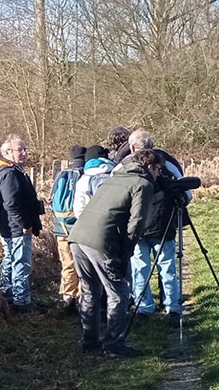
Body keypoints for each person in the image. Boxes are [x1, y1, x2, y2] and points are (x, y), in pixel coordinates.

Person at [69, 149, 161, 357]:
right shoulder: (142, 184)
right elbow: (136, 223)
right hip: (101, 240)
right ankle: (114, 344)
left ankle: (90, 340)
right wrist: (125, 252)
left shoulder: (115, 177)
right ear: (151, 167)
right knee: (118, 291)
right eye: (158, 170)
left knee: (90, 289)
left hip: (78, 236)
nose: (158, 175)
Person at [123, 129, 191, 319]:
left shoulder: (125, 166)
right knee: (168, 267)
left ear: (132, 147)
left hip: (136, 225)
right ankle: (172, 307)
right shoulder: (168, 163)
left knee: (140, 268)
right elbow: (187, 194)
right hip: (164, 222)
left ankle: (143, 307)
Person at [0, 134, 43, 312]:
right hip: (15, 227)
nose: (25, 153)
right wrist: (24, 224)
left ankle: (6, 295)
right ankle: (21, 301)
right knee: (20, 263)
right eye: (21, 149)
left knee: (10, 259)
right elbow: (11, 203)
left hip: (10, 226)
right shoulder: (9, 174)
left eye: (25, 149)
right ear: (8, 152)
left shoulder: (10, 171)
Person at [50, 145, 86, 312]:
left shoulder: (61, 174)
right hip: (80, 226)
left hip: (61, 226)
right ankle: (81, 296)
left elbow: (51, 200)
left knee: (67, 262)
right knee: (82, 262)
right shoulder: (85, 174)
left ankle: (67, 296)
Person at [74, 145, 114, 219]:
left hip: (90, 222)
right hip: (112, 222)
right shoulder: (115, 174)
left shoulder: (83, 180)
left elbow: (78, 210)